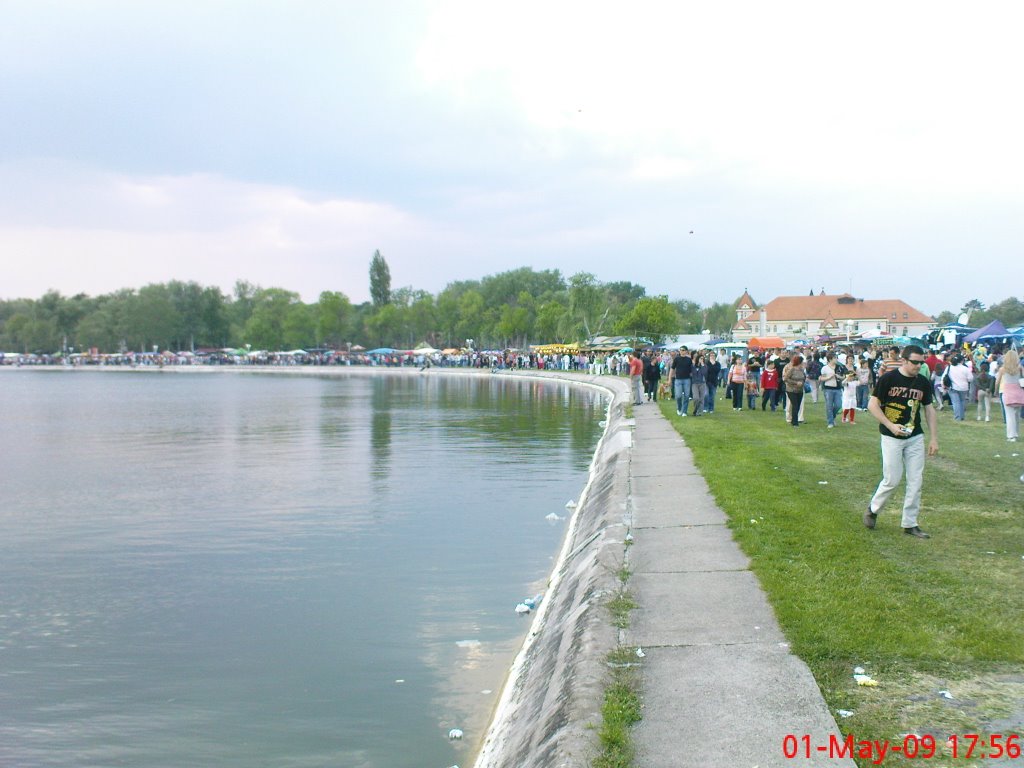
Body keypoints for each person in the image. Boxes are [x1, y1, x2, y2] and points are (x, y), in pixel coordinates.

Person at [864, 345, 939, 539]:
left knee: (916, 480)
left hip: (915, 436)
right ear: (904, 360)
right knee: (892, 479)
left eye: (921, 362)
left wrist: (934, 438)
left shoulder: (922, 382)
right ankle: (873, 509)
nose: (918, 365)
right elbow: (872, 404)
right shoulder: (889, 378)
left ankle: (910, 523)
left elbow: (929, 409)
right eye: (915, 362)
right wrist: (890, 425)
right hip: (891, 437)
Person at [994, 349, 1024, 442]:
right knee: (1016, 415)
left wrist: (995, 391)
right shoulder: (1020, 368)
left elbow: (997, 382)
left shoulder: (1002, 369)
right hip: (1018, 392)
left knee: (1009, 415)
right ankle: (1016, 433)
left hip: (1007, 392)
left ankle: (1011, 436)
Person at [945, 354, 973, 421]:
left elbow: (944, 376)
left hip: (952, 387)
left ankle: (957, 417)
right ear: (962, 361)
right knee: (962, 401)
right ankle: (962, 416)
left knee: (955, 402)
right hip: (964, 387)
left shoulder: (949, 367)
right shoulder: (965, 369)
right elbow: (970, 379)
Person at [820, 352, 843, 429]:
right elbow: (821, 378)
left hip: (838, 388)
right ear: (830, 359)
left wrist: (839, 377)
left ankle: (832, 417)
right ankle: (830, 422)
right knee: (829, 406)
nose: (836, 359)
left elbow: (843, 377)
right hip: (828, 389)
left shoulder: (839, 367)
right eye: (835, 358)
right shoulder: (825, 368)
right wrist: (828, 378)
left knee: (838, 405)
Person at [782, 355, 806, 427]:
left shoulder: (802, 370)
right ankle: (795, 423)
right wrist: (795, 383)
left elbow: (804, 377)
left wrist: (802, 382)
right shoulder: (791, 370)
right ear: (799, 362)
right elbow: (785, 379)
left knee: (798, 405)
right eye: (802, 362)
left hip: (800, 390)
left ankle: (793, 420)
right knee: (795, 405)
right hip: (791, 390)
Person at [670, 347, 693, 417]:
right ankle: (679, 408)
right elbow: (672, 369)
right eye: (680, 350)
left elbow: (691, 370)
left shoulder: (689, 360)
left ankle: (684, 411)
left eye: (683, 350)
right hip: (678, 379)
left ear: (686, 351)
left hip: (687, 379)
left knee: (686, 396)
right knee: (678, 395)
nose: (681, 351)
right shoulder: (676, 359)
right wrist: (669, 379)